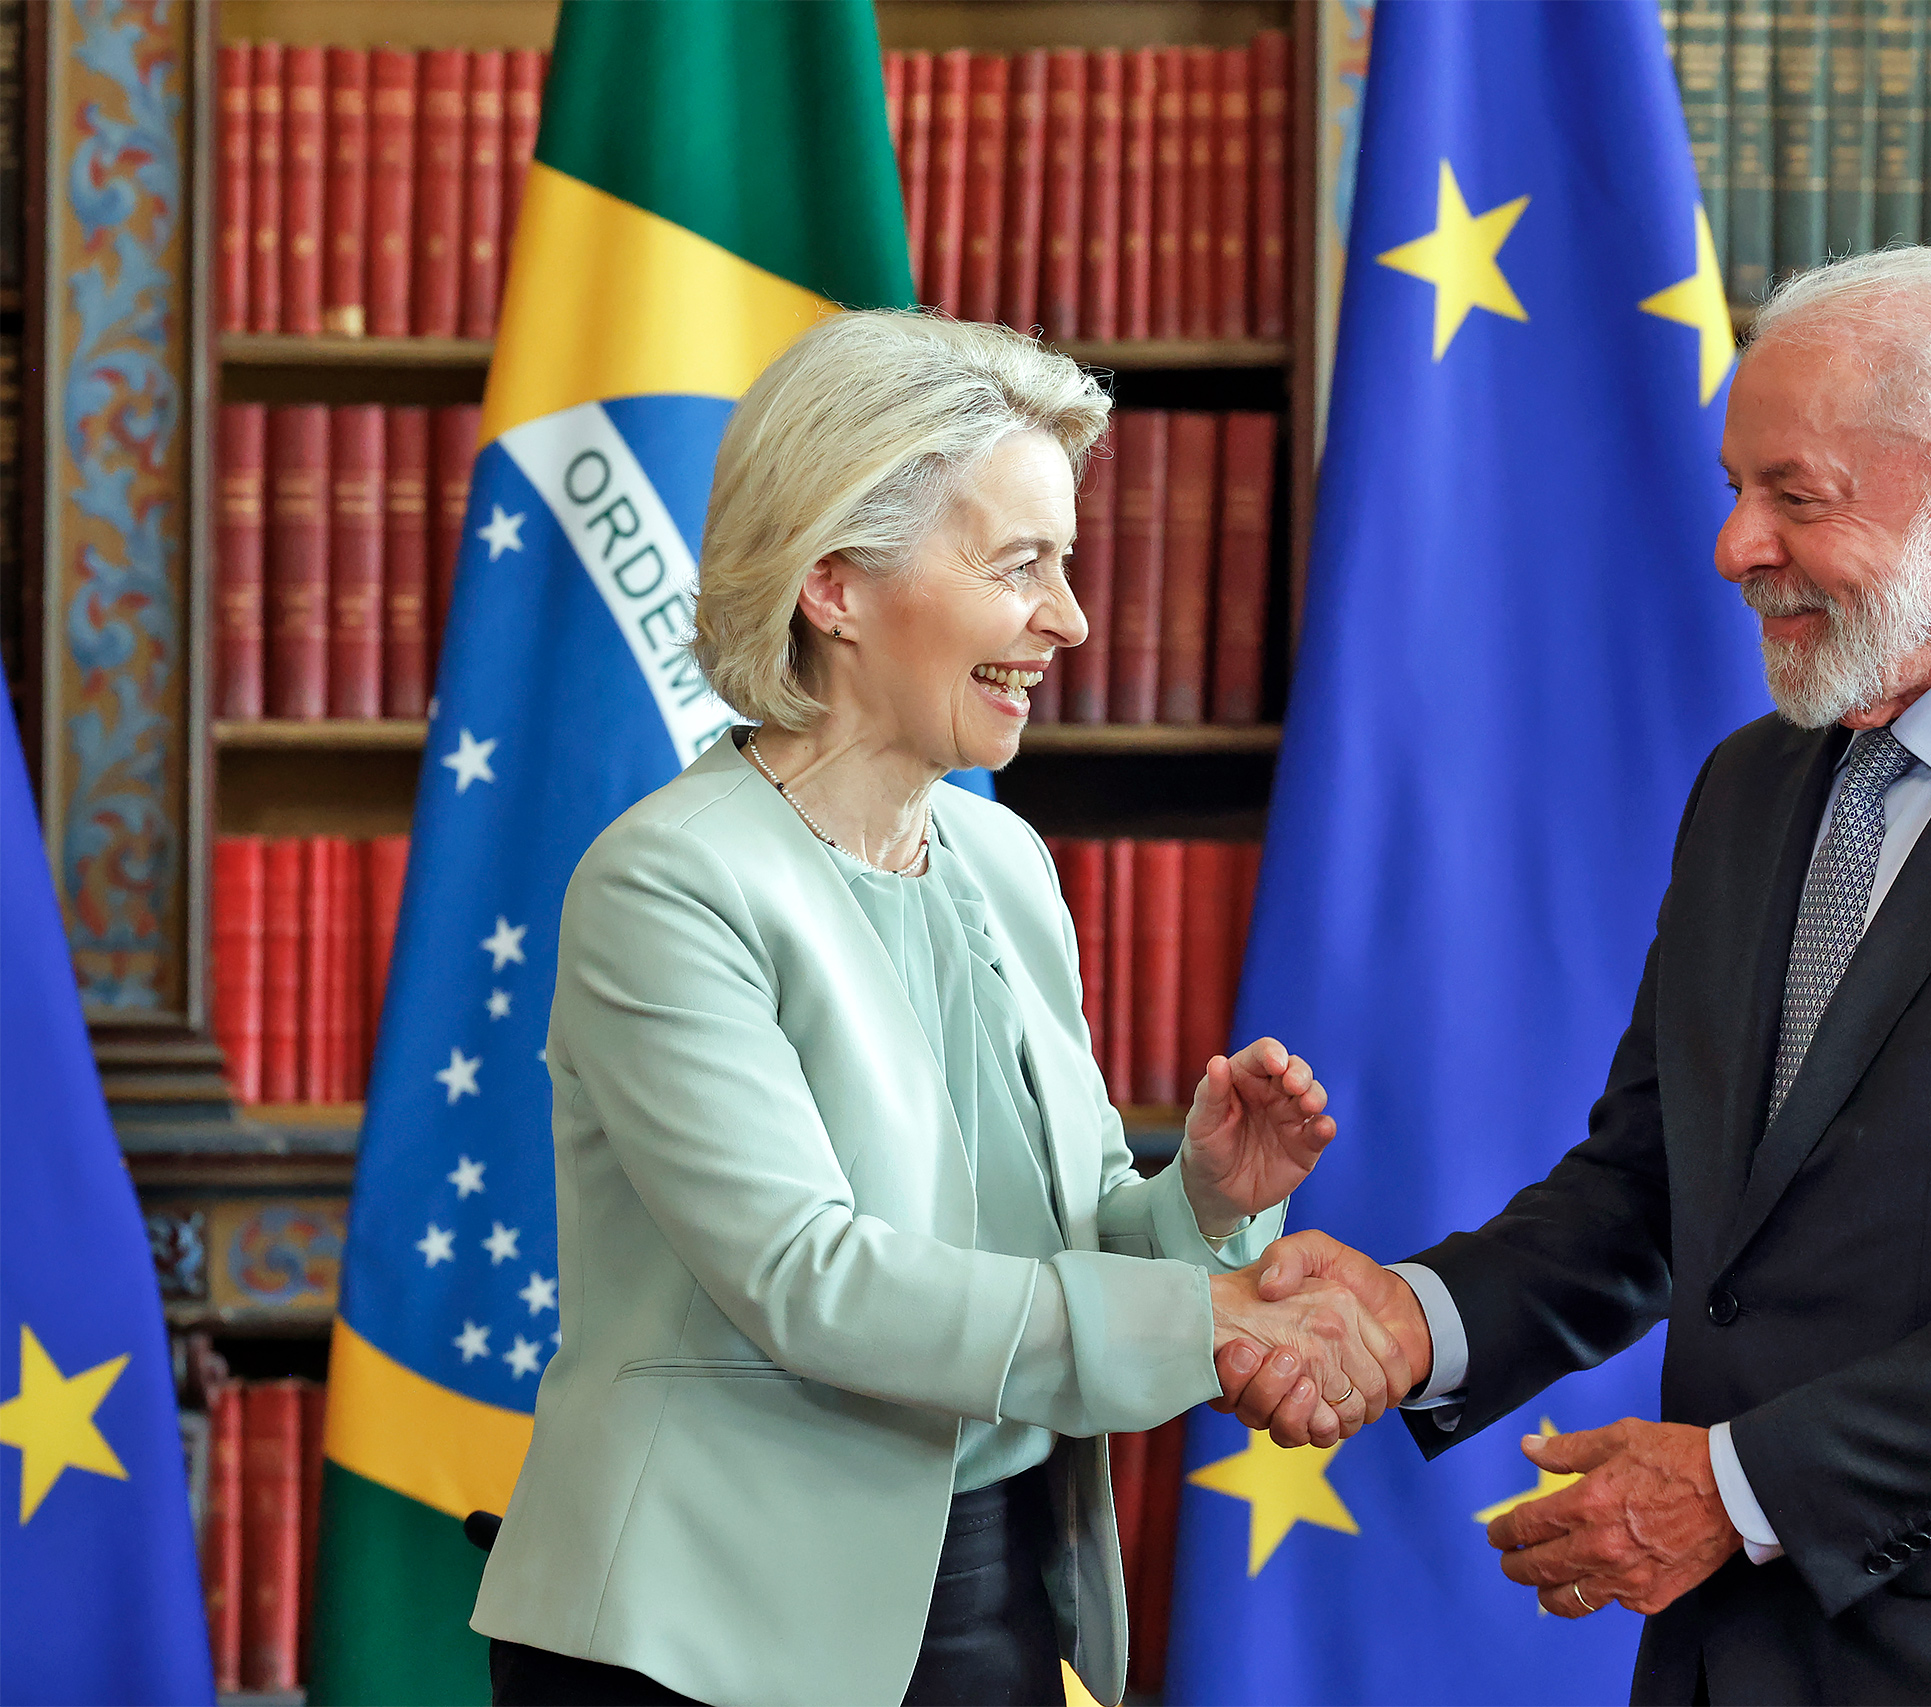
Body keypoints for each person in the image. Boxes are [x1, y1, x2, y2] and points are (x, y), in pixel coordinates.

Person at [1226, 247, 1931, 1705]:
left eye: (1796, 499)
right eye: (1736, 489)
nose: (1734, 546)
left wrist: (1734, 1489)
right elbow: (1659, 1180)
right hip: (1740, 1651)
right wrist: (1413, 1320)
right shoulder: (1754, 787)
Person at [470, 311, 1413, 1707]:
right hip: (707, 1627)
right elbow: (811, 1281)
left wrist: (1202, 1206)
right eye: (1020, 564)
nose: (1069, 619)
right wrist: (1209, 1323)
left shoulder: (1002, 860)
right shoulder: (668, 882)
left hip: (995, 1589)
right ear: (834, 585)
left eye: (1065, 566)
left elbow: (1061, 1242)